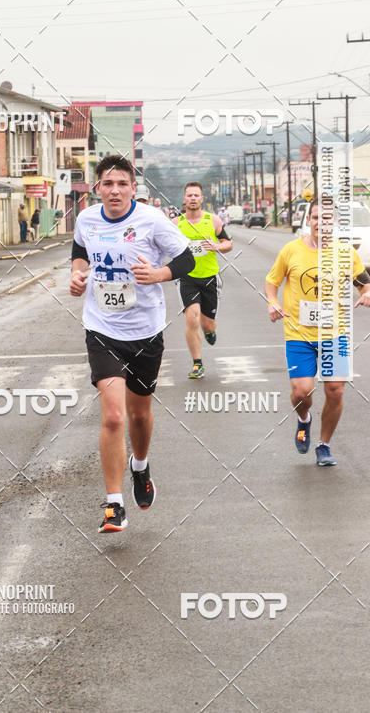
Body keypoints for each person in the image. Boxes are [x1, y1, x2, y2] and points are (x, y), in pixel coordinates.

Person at [70, 155, 194, 533]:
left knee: (139, 415)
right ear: (97, 188)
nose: (115, 190)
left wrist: (159, 273)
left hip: (145, 330)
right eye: (107, 184)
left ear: (132, 187)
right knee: (113, 415)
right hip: (101, 328)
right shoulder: (86, 219)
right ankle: (113, 505)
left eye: (122, 183)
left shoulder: (152, 220)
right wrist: (77, 276)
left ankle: (140, 467)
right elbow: (79, 253)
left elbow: (188, 259)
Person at [265, 197, 370, 466]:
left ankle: (324, 445)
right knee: (302, 392)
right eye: (316, 218)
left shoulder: (345, 253)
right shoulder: (291, 250)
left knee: (335, 390)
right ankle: (304, 419)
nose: (321, 223)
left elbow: (364, 282)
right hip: (299, 333)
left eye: (326, 218)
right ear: (309, 220)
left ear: (334, 222)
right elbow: (272, 282)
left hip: (335, 333)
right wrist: (273, 302)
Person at [176, 183, 233, 379]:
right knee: (192, 317)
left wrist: (216, 246)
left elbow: (228, 244)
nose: (192, 198)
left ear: (202, 199)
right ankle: (197, 364)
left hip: (210, 278)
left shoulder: (213, 220)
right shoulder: (176, 224)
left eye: (196, 195)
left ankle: (209, 331)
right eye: (189, 195)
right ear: (184, 199)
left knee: (207, 324)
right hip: (187, 278)